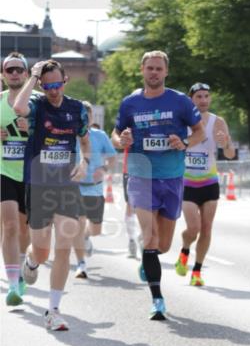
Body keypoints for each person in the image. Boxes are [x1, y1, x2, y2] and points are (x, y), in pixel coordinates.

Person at [111, 51, 205, 320]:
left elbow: (199, 132)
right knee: (150, 237)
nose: (154, 72)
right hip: (141, 175)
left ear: (166, 72)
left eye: (158, 68)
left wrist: (184, 143)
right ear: (142, 70)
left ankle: (149, 256)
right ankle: (157, 299)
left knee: (162, 245)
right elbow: (116, 133)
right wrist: (121, 140)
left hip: (172, 176)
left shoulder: (180, 101)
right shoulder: (130, 103)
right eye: (149, 68)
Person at [13, 60, 90, 331]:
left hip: (66, 185)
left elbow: (85, 141)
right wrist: (33, 77)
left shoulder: (77, 109)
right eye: (47, 86)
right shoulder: (36, 105)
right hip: (38, 184)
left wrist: (85, 162)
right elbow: (18, 108)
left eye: (57, 84)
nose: (53, 90)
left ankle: (53, 310)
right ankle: (31, 261)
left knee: (64, 246)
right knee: (42, 250)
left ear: (65, 81)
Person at [175, 82, 235, 286]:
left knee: (207, 229)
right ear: (191, 100)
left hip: (209, 182)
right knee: (193, 228)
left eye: (206, 96)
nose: (203, 100)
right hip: (187, 183)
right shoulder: (182, 122)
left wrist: (226, 143)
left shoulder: (218, 122)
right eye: (199, 97)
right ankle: (184, 251)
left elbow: (230, 153)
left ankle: (197, 271)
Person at [72, 103, 117, 280]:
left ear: (91, 118)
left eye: (87, 115)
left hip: (95, 189)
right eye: (81, 115)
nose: (84, 118)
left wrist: (104, 169)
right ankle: (81, 264)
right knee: (78, 224)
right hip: (75, 188)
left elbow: (112, 158)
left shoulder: (100, 135)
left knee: (95, 229)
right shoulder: (70, 135)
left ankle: (86, 237)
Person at [0, 53, 31, 305]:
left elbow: (55, 135)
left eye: (19, 69)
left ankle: (21, 268)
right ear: (3, 75)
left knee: (25, 229)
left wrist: (32, 130)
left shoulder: (38, 102)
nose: (14, 73)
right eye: (9, 70)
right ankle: (12, 284)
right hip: (4, 172)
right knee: (9, 225)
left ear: (27, 74)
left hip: (32, 174)